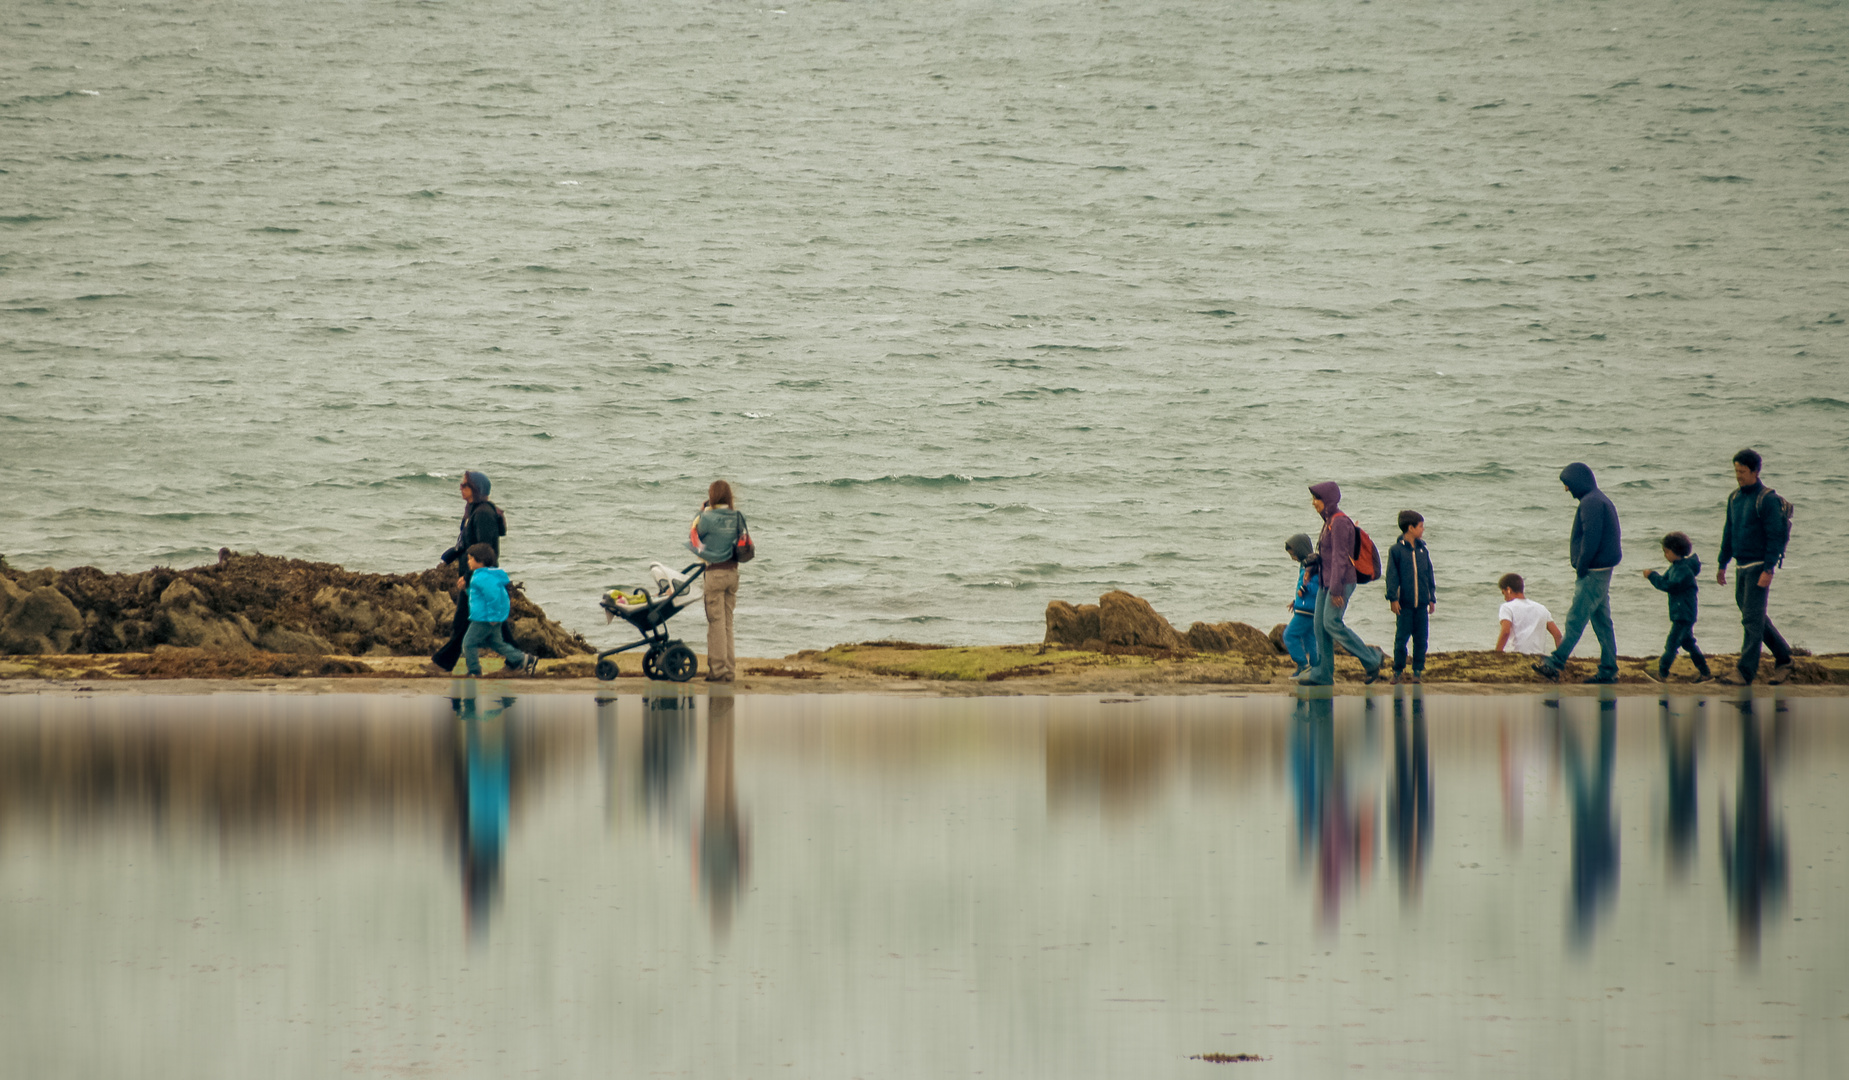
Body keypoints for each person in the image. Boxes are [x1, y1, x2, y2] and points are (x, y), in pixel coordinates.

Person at [1534, 463, 1622, 684]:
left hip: (1592, 571)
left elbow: (1591, 538)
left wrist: (1582, 566)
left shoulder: (1591, 502)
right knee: (1602, 621)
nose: (1567, 490)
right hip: (1602, 570)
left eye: (1568, 484)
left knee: (1576, 619)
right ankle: (1608, 669)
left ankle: (1555, 663)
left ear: (1578, 482)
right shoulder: (1599, 499)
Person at [1716, 449, 1794, 686]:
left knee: (1751, 619)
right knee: (1754, 617)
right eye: (1736, 471)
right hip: (1741, 566)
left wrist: (1769, 569)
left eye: (1742, 471)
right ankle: (1784, 657)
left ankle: (1745, 672)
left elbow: (1775, 537)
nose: (1738, 476)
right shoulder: (1734, 498)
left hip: (1759, 566)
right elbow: (1728, 532)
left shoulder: (1766, 499)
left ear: (1755, 471)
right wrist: (1722, 564)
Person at [1296, 482, 1384, 686]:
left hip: (1341, 582)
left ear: (1327, 500)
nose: (1313, 503)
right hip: (1326, 581)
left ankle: (1371, 659)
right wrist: (1310, 571)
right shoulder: (1328, 522)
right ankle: (1323, 674)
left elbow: (1340, 559)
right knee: (1319, 627)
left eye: (1316, 499)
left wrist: (1336, 590)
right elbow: (1325, 556)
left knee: (1331, 623)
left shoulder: (1340, 523)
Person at [432, 470, 508, 674]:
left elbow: (485, 549)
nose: (461, 488)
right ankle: (517, 662)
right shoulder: (473, 510)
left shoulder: (483, 513)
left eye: (465, 485)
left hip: (480, 577)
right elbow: (469, 543)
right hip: (476, 575)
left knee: (463, 621)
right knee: (488, 624)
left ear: (476, 489)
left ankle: (442, 664)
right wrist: (454, 555)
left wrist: (469, 576)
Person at [688, 480, 746, 683]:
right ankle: (729, 670)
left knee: (716, 624)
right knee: (728, 623)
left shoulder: (707, 518)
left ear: (712, 496)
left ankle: (718, 671)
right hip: (732, 573)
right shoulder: (737, 516)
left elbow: (693, 535)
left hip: (715, 574)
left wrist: (700, 511)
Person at [1644, 532, 1712, 683]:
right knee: (1688, 643)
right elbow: (1664, 581)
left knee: (1672, 644)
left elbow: (1670, 586)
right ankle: (1705, 673)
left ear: (1675, 551)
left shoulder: (1684, 570)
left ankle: (1662, 673)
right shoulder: (1676, 567)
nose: (1665, 555)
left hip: (1684, 614)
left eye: (1666, 552)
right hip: (1680, 613)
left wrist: (1652, 576)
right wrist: (1654, 577)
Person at [460, 543, 535, 677]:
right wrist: (466, 589)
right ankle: (524, 659)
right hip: (490, 617)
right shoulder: (487, 576)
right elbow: (479, 597)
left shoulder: (482, 577)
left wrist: (493, 617)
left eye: (470, 558)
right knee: (496, 643)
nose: (468, 562)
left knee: (468, 643)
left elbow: (493, 597)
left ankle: (474, 671)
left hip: (484, 619)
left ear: (480, 560)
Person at [1383, 510, 1437, 685]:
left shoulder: (1423, 550)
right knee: (1401, 639)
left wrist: (1431, 598)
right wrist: (1393, 598)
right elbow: (1392, 576)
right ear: (1410, 528)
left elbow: (1429, 575)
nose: (1423, 529)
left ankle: (1417, 672)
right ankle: (1398, 671)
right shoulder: (1396, 550)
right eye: (1420, 526)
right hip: (1404, 604)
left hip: (1421, 604)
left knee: (1421, 639)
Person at [1282, 533, 1321, 678]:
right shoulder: (1306, 564)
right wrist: (1295, 601)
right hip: (1308, 608)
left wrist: (1303, 591)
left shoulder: (1312, 565)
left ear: (1300, 550)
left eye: (1293, 554)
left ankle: (1303, 665)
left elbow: (1313, 585)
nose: (1292, 557)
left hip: (1306, 610)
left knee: (1289, 635)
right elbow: (1302, 586)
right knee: (1309, 638)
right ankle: (1316, 668)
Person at [1495, 574, 1563, 654]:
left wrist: (1497, 654)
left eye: (1503, 593)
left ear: (1508, 590)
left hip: (1516, 655)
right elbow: (1557, 635)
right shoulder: (1541, 608)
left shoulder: (1507, 607)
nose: (1504, 598)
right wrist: (1561, 658)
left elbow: (1506, 632)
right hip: (1538, 656)